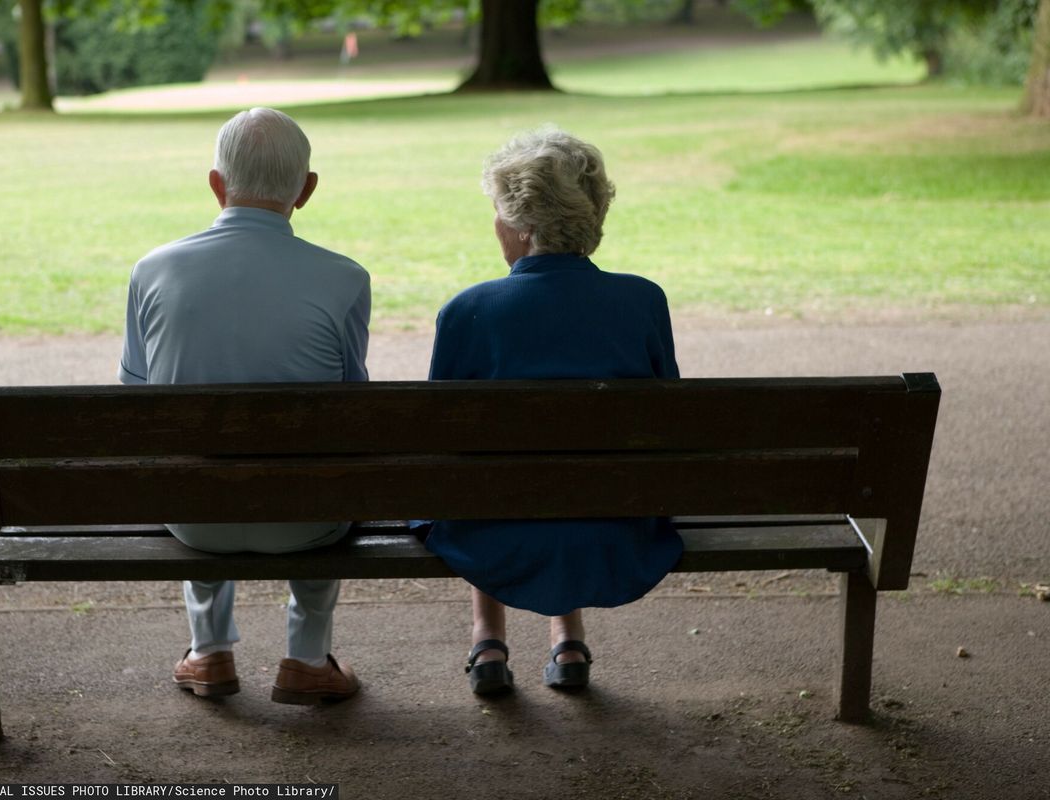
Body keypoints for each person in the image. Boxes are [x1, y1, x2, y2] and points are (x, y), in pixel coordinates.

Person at [118, 107, 370, 705]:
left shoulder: (152, 271)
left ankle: (208, 653)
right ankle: (308, 659)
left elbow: (135, 403)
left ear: (215, 183)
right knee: (324, 466)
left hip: (193, 518)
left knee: (194, 459)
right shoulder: (345, 278)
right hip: (307, 522)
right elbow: (351, 408)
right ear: (306, 191)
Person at [422, 127, 683, 695]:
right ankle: (568, 638)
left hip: (500, 530)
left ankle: (486, 638)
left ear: (518, 226)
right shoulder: (642, 301)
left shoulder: (468, 312)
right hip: (615, 525)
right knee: (556, 478)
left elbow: (444, 448)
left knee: (482, 477)